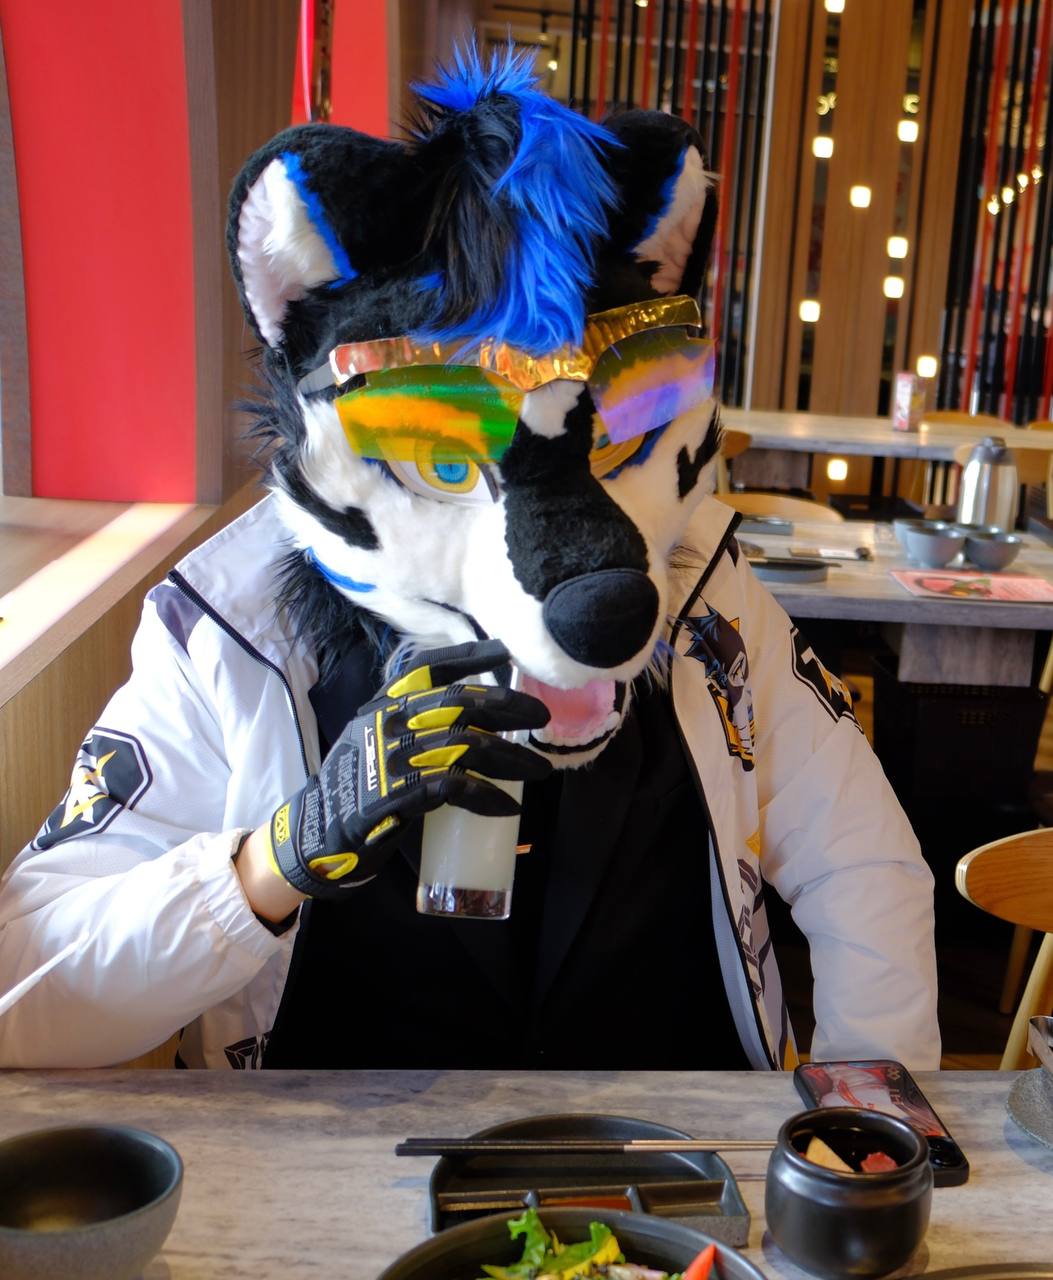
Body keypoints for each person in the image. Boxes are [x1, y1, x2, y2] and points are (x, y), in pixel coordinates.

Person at [0, 47, 939, 1071]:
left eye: (614, 443)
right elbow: (25, 992)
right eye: (446, 462)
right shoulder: (232, 632)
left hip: (667, 1135)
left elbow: (862, 862)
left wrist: (871, 1109)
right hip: (337, 1149)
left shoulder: (708, 594)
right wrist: (278, 855)